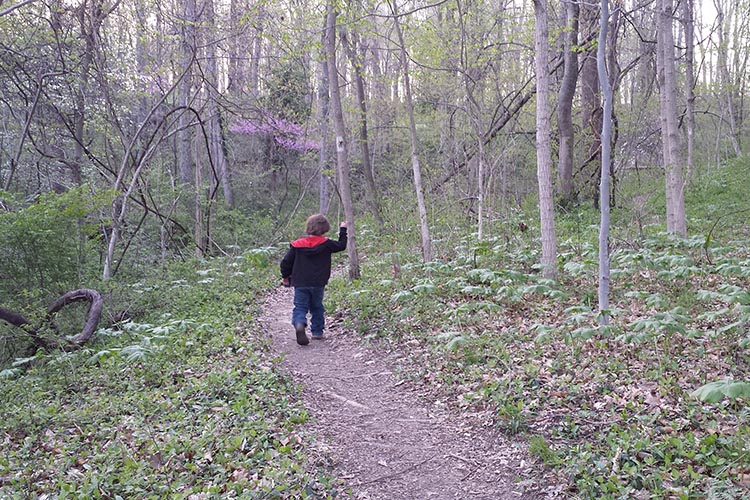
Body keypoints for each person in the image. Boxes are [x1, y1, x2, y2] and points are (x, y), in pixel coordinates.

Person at [280, 214, 348, 345]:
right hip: (318, 282)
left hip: (300, 282)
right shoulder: (327, 244)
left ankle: (299, 323)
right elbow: (341, 246)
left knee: (300, 306)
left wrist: (285, 276)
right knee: (317, 307)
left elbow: (285, 262)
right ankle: (317, 332)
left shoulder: (297, 245)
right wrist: (343, 229)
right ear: (325, 229)